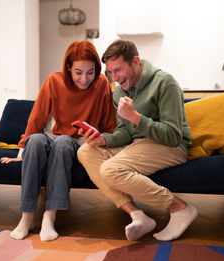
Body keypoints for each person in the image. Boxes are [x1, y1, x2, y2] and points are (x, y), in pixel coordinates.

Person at [77, 39, 198, 242]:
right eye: (110, 73)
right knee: (85, 152)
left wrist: (135, 117)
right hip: (138, 145)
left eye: (118, 70)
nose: (114, 78)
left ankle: (180, 208)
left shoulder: (165, 83)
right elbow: (125, 133)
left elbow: (173, 135)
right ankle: (137, 215)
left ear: (135, 62)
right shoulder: (119, 91)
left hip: (171, 146)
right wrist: (103, 140)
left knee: (110, 170)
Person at [0, 40, 116, 242]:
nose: (84, 79)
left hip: (75, 142)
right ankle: (26, 217)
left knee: (63, 142)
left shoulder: (102, 84)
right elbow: (36, 118)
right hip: (48, 136)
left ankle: (49, 216)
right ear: (69, 67)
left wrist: (104, 140)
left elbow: (109, 123)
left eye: (90, 72)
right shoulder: (54, 81)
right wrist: (22, 152)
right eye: (79, 72)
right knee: (34, 141)